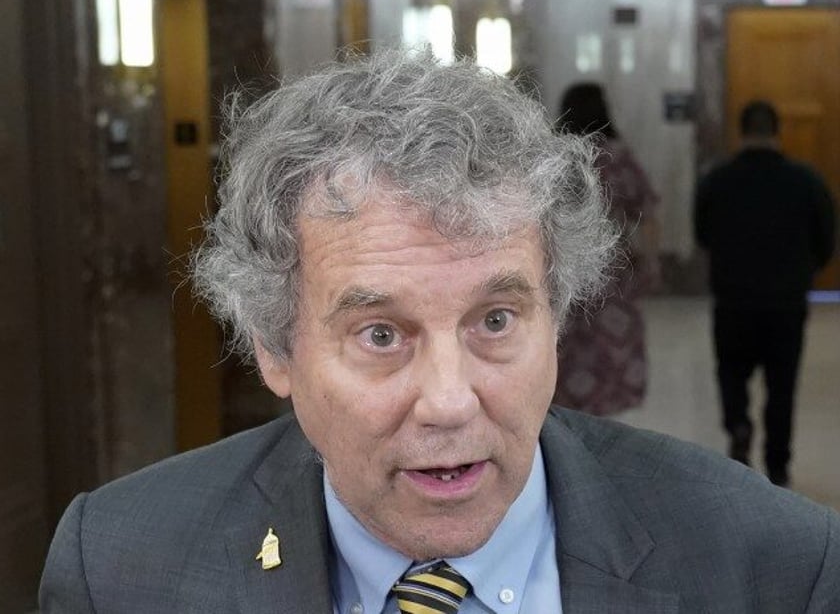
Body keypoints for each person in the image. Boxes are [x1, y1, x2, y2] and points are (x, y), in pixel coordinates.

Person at [41, 51, 839, 613]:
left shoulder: (774, 566)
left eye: (495, 321)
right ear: (275, 347)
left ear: (555, 319)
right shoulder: (118, 570)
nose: (450, 403)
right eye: (381, 335)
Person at [694, 100, 836, 488]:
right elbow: (826, 240)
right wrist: (803, 271)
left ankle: (738, 423)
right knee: (782, 383)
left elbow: (702, 234)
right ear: (776, 132)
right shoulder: (805, 181)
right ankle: (778, 464)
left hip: (733, 297)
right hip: (785, 301)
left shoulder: (717, 180)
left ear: (741, 132)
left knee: (731, 370)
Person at [552, 83, 660, 415]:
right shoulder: (618, 158)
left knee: (566, 354)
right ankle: (603, 428)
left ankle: (565, 424)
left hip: (563, 269)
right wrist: (652, 261)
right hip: (613, 271)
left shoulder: (556, 158)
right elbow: (647, 212)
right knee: (610, 350)